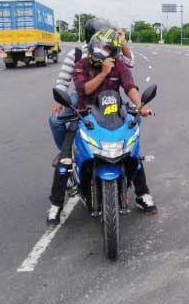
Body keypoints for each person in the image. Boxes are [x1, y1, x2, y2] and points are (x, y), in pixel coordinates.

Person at [47, 20, 157, 225]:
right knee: (64, 161)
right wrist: (104, 73)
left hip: (113, 113)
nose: (103, 51)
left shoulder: (120, 65)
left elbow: (130, 86)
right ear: (92, 44)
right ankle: (55, 205)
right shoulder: (81, 64)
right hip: (84, 114)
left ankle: (142, 195)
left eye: (108, 48)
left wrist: (141, 105)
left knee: (132, 152)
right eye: (100, 46)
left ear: (114, 51)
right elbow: (84, 90)